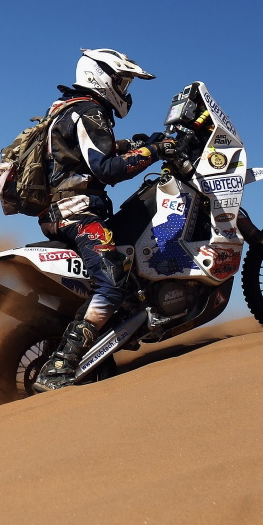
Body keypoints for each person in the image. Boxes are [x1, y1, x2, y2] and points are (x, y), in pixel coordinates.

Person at [32, 48, 175, 392]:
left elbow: (89, 152)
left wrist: (139, 143)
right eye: (121, 80)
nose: (125, 89)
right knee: (112, 280)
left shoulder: (68, 108)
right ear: (101, 76)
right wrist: (154, 152)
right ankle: (59, 366)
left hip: (65, 211)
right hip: (76, 213)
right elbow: (106, 168)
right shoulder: (89, 110)